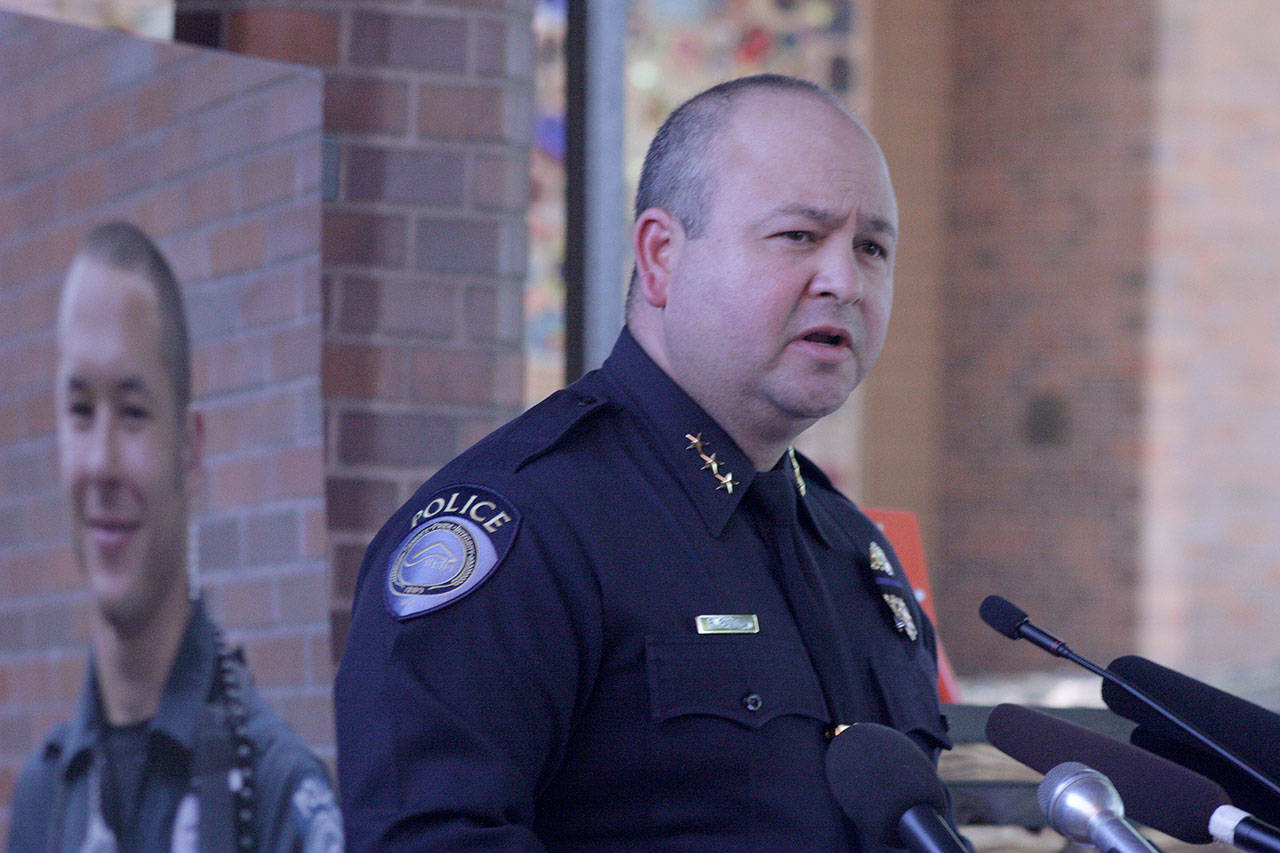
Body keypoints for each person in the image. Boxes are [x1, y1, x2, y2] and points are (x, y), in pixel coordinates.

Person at [336, 74, 953, 850]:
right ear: (661, 256)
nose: (845, 281)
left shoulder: (857, 554)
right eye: (799, 236)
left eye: (872, 247)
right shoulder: (530, 529)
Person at [8, 222, 343, 852]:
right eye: (80, 411)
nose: (101, 463)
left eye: (133, 412)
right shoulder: (44, 802)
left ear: (189, 453)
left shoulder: (277, 802)